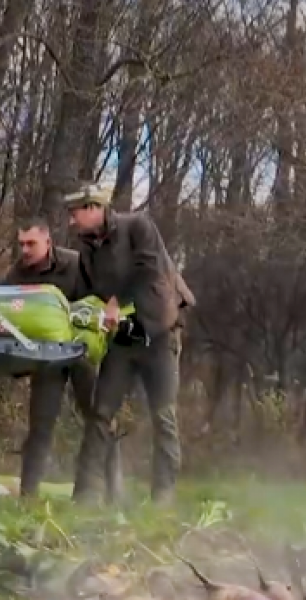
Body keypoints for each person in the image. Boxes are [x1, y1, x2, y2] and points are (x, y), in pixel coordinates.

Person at [62, 182, 185, 504]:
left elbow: (148, 269)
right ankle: (86, 495)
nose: (70, 221)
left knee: (163, 417)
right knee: (101, 414)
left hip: (158, 335)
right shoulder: (87, 249)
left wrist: (117, 301)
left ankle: (164, 497)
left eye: (74, 213)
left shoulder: (138, 227)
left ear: (94, 209)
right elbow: (86, 291)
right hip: (122, 340)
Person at [0, 219, 104, 499]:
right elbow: (3, 310)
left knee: (98, 418)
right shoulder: (17, 274)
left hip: (82, 352)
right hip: (47, 359)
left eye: (31, 243)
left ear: (48, 242)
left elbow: (102, 299)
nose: (25, 250)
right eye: (21, 244)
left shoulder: (75, 264)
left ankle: (107, 490)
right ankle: (28, 496)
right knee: (40, 425)